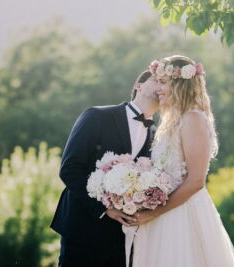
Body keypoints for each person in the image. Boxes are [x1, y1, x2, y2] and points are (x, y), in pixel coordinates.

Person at [130, 55, 234, 267]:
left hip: (182, 216)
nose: (158, 89)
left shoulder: (193, 119)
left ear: (180, 85)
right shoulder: (170, 121)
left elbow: (196, 181)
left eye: (163, 83)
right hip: (161, 217)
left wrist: (153, 212)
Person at [50, 70, 159, 267]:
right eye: (157, 80)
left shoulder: (157, 134)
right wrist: (104, 208)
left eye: (166, 83)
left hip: (124, 236)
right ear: (138, 85)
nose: (161, 86)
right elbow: (70, 168)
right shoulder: (96, 116)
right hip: (83, 227)